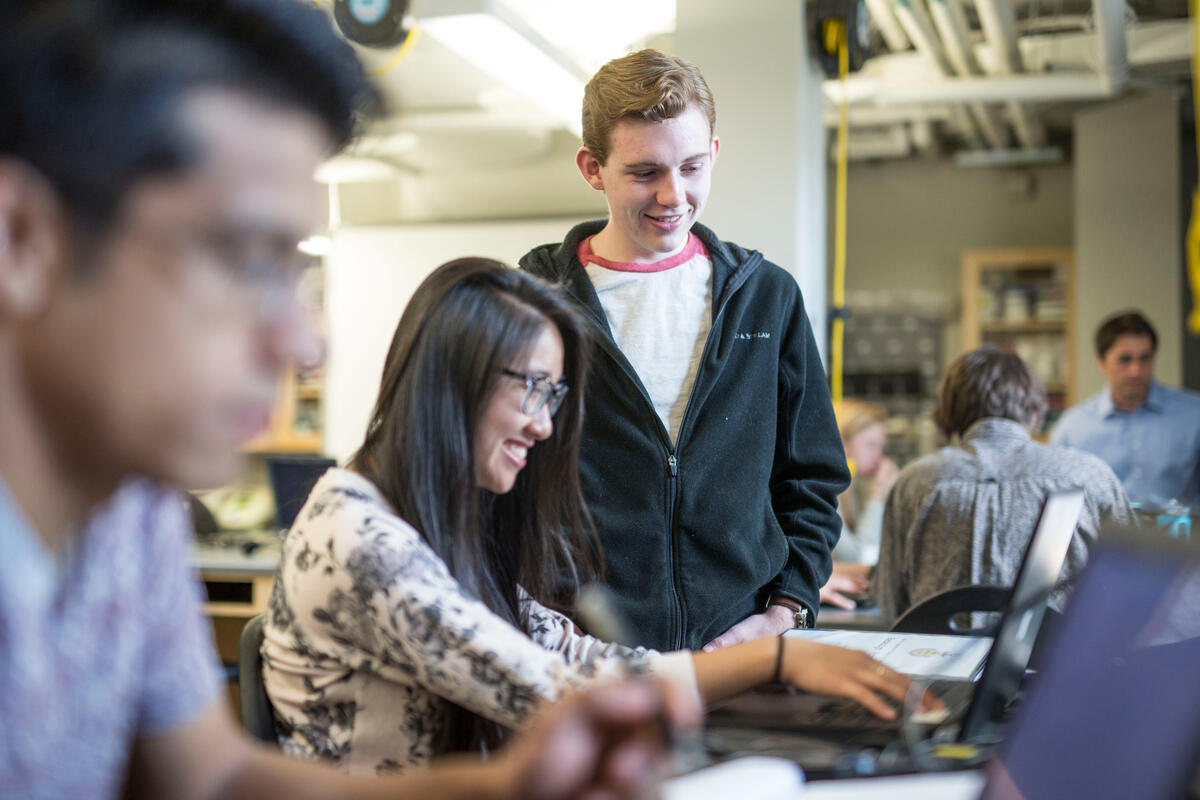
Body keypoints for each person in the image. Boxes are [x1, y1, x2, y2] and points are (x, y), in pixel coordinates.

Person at [0, 2, 689, 798]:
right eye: (246, 261)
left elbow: (214, 778)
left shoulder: (130, 507)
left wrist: (508, 786)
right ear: (22, 240)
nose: (303, 343)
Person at [263, 257, 934, 774]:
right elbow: (551, 690)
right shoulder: (360, 538)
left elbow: (566, 651)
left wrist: (767, 658)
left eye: (553, 396)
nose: (544, 424)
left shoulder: (427, 522)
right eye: (532, 388)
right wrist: (774, 661)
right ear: (452, 379)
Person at [519, 49, 849, 653]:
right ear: (593, 168)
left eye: (692, 167)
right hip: (580, 658)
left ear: (714, 154)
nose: (674, 195)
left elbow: (812, 479)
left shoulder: (766, 298)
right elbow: (500, 479)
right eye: (645, 173)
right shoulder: (535, 301)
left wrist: (786, 611)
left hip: (738, 654)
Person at [874, 347, 1134, 626]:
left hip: (936, 666)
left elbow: (890, 605)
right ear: (1035, 411)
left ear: (949, 412)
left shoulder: (913, 482)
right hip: (1060, 664)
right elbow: (1132, 589)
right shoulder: (1088, 475)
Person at [1051, 310, 1200, 511]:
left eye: (1145, 358)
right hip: (1101, 540)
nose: (1135, 370)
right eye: (1125, 360)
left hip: (1179, 538)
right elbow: (1057, 499)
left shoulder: (1193, 415)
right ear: (1101, 361)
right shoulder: (1073, 427)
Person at [818, 400, 900, 609]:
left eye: (881, 446)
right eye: (870, 444)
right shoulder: (824, 483)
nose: (878, 456)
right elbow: (860, 555)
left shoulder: (851, 488)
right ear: (842, 442)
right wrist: (879, 495)